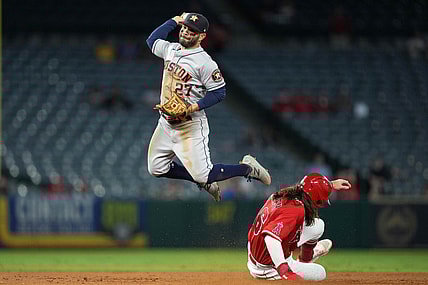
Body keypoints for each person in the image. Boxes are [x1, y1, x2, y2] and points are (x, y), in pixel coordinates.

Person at [145, 12, 271, 202]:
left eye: (192, 31)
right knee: (156, 168)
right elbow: (152, 40)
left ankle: (248, 168)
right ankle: (206, 182)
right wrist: (174, 20)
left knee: (203, 174)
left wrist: (193, 107)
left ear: (202, 36)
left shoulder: (205, 63)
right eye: (185, 28)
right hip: (166, 124)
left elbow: (219, 92)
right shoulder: (171, 49)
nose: (186, 33)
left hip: (189, 126)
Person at [247, 173, 351, 281]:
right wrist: (283, 269)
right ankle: (301, 260)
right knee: (320, 272)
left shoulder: (284, 194)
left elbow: (311, 188)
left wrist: (330, 185)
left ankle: (305, 260)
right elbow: (270, 238)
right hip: (267, 266)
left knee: (318, 225)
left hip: (255, 249)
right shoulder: (296, 209)